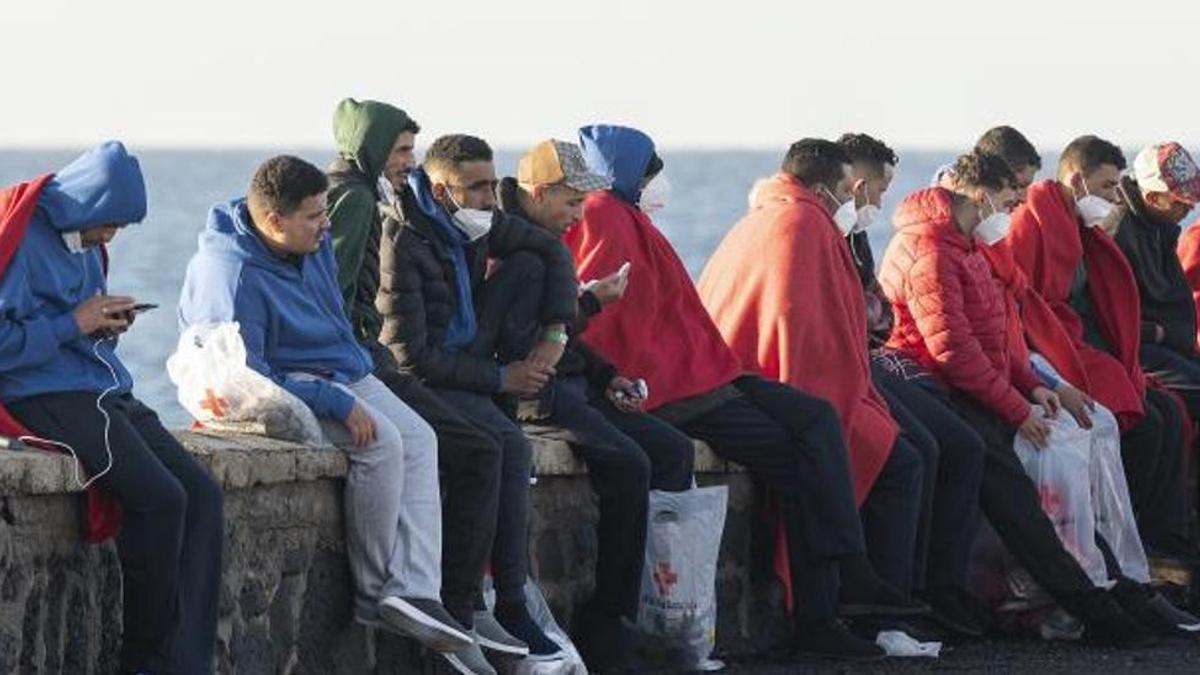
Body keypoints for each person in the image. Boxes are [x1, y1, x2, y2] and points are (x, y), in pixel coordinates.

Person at [566, 123, 923, 662]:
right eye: (650, 167)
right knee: (803, 457)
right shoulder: (604, 215)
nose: (658, 179)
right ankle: (826, 607)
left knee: (816, 421)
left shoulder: (628, 214)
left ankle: (844, 575)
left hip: (707, 371)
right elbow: (606, 316)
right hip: (674, 385)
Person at [177, 155, 473, 659]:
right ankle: (378, 595)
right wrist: (332, 398)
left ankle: (415, 590)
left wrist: (354, 373)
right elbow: (244, 378)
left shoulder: (305, 241)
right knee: (379, 443)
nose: (326, 224)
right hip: (281, 388)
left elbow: (331, 317)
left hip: (340, 367)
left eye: (323, 211)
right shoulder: (230, 274)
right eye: (314, 216)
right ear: (274, 220)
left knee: (422, 438)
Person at [878, 152, 1157, 647]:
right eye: (1009, 200)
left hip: (971, 384)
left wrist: (1033, 384)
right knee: (1009, 484)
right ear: (981, 195)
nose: (1012, 211)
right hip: (938, 384)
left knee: (1057, 453)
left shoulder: (964, 246)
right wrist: (1016, 408)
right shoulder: (932, 251)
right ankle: (1087, 603)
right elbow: (952, 351)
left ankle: (1108, 587)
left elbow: (995, 340)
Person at [0, 141, 224, 673]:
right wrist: (72, 323)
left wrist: (103, 323)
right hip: (44, 394)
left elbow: (76, 323)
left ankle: (187, 659)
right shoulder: (22, 238)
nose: (113, 236)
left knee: (203, 495)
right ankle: (144, 659)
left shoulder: (85, 240)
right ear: (88, 205)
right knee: (161, 500)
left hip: (101, 386)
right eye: (112, 224)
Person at [698, 139, 929, 619]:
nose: (853, 197)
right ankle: (870, 604)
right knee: (898, 461)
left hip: (760, 376)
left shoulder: (770, 214)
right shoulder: (804, 223)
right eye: (847, 188)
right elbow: (804, 330)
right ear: (823, 187)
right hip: (781, 382)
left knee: (905, 450)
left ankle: (869, 595)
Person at [324, 99, 516, 672]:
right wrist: (364, 357)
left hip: (364, 356)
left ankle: (454, 603)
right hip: (359, 361)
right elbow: (337, 293)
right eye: (402, 150)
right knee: (476, 450)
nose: (409, 162)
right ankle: (453, 605)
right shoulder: (357, 198)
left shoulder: (361, 191)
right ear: (372, 146)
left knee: (482, 445)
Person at [374, 134, 580, 660]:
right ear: (442, 191)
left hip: (472, 360)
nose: (491, 198)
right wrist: (499, 381)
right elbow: (409, 356)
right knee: (503, 446)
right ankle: (475, 604)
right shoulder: (402, 240)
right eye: (478, 188)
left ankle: (509, 604)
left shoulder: (477, 222)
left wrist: (553, 336)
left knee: (531, 266)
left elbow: (549, 249)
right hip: (427, 377)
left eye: (493, 184)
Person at [495, 138, 696, 669]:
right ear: (537, 195)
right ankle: (607, 622)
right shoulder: (518, 251)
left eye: (584, 203)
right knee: (629, 463)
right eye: (571, 203)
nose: (579, 216)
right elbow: (526, 342)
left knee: (671, 449)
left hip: (574, 383)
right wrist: (592, 302)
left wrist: (608, 376)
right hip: (542, 395)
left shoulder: (545, 241)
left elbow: (562, 335)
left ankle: (651, 614)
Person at [1003, 136, 1192, 558]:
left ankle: (1159, 544)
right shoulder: (1032, 222)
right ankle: (1125, 545)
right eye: (1107, 186)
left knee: (1166, 415)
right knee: (1147, 423)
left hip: (1082, 343)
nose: (1114, 197)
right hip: (1051, 352)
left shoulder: (1079, 226)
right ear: (1076, 179)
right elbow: (1025, 306)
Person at [836, 133, 990, 635]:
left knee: (962, 445)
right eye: (878, 190)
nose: (881, 201)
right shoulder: (839, 230)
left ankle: (937, 589)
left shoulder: (854, 233)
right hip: (854, 363)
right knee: (919, 448)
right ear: (856, 185)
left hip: (874, 355)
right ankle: (898, 597)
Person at [1111, 142, 1200, 419]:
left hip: (1169, 344)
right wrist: (1155, 332)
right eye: (1180, 201)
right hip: (1138, 349)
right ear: (1152, 198)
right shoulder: (1118, 232)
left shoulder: (1158, 228)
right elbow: (1106, 311)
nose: (1189, 208)